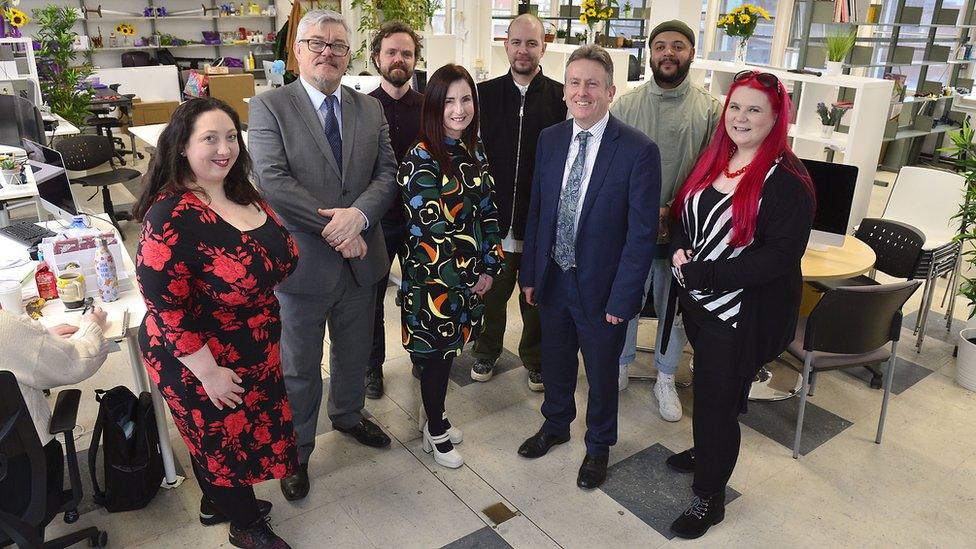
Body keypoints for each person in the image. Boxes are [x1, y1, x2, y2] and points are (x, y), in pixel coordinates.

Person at [133, 97, 299, 549]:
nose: (224, 148)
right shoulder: (170, 216)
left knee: (236, 439)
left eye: (231, 137)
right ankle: (245, 525)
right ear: (182, 146)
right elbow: (166, 308)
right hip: (197, 358)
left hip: (251, 346)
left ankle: (217, 500)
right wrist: (207, 372)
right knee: (220, 444)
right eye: (210, 138)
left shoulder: (238, 189)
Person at [248, 9, 398, 502]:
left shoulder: (369, 108)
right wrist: (340, 227)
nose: (327, 53)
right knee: (299, 367)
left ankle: (350, 415)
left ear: (348, 54)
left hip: (361, 261)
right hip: (301, 266)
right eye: (317, 43)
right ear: (297, 50)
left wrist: (359, 218)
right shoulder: (271, 107)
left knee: (354, 353)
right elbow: (272, 181)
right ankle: (297, 450)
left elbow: (387, 174)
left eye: (337, 45)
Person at [664, 70, 815, 539]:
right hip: (702, 306)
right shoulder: (717, 158)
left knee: (715, 405)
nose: (741, 117)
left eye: (755, 109)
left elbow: (778, 258)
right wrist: (677, 247)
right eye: (735, 106)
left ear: (776, 118)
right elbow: (685, 210)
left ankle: (710, 498)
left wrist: (704, 273)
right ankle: (707, 451)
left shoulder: (787, 179)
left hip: (740, 317)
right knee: (710, 395)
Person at [518, 45, 660, 490]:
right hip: (553, 277)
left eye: (592, 84)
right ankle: (556, 424)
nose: (582, 92)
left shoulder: (638, 151)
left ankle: (598, 446)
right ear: (565, 91)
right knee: (556, 360)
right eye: (574, 83)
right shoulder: (550, 139)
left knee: (601, 373)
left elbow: (641, 237)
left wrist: (624, 298)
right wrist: (529, 274)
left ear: (611, 92)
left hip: (602, 288)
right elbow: (538, 211)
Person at [610, 20, 722, 421]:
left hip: (685, 230)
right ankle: (619, 364)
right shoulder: (625, 105)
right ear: (651, 53)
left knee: (673, 306)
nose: (668, 53)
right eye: (660, 46)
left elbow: (714, 170)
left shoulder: (710, 110)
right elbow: (614, 167)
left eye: (677, 46)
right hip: (630, 228)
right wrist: (643, 210)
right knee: (623, 298)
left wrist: (674, 209)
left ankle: (666, 376)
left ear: (691, 53)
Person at [397, 63, 504, 469]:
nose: (459, 109)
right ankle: (436, 428)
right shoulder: (421, 159)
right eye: (449, 101)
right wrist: (469, 278)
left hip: (471, 276)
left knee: (447, 354)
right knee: (437, 358)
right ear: (434, 107)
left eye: (466, 99)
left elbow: (488, 211)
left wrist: (491, 266)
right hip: (436, 283)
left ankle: (435, 419)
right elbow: (432, 235)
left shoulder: (473, 148)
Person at [472, 13, 567, 390]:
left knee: (535, 299)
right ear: (505, 45)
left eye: (532, 43)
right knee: (492, 292)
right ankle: (485, 349)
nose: (523, 50)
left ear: (544, 47)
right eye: (516, 42)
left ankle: (535, 358)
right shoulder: (485, 94)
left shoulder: (560, 97)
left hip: (538, 218)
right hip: (495, 217)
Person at [0, 307, 108, 529]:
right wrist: (92, 324)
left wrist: (38, 341)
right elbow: (77, 361)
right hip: (19, 482)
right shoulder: (4, 328)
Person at [365, 20, 425, 400]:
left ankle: (421, 353)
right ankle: (373, 367)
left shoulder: (430, 107)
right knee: (372, 299)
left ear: (416, 59)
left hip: (423, 221)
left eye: (406, 53)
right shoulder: (362, 108)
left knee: (420, 293)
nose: (399, 59)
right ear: (376, 58)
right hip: (379, 221)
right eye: (392, 52)